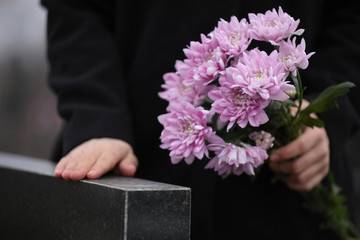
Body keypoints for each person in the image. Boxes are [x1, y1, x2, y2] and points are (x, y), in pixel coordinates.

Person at [40, 0, 360, 239]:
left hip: (293, 189)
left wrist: (322, 112)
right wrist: (98, 122)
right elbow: (75, 7)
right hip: (130, 169)